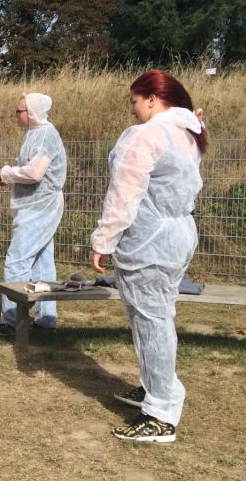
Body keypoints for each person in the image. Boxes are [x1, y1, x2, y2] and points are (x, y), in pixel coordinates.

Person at [91, 70, 206, 443]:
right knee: (157, 317)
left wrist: (103, 241)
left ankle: (161, 412)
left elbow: (124, 196)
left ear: (153, 99)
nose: (134, 109)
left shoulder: (147, 135)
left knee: (152, 321)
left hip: (149, 241)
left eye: (135, 101)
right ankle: (154, 388)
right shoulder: (187, 133)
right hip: (177, 236)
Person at [0, 93, 66, 337]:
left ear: (30, 113)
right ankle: (46, 318)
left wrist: (4, 173)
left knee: (17, 261)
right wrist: (8, 177)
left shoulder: (46, 135)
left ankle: (11, 321)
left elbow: (34, 173)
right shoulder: (36, 134)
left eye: (19, 111)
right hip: (35, 206)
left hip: (40, 207)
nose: (16, 115)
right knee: (42, 262)